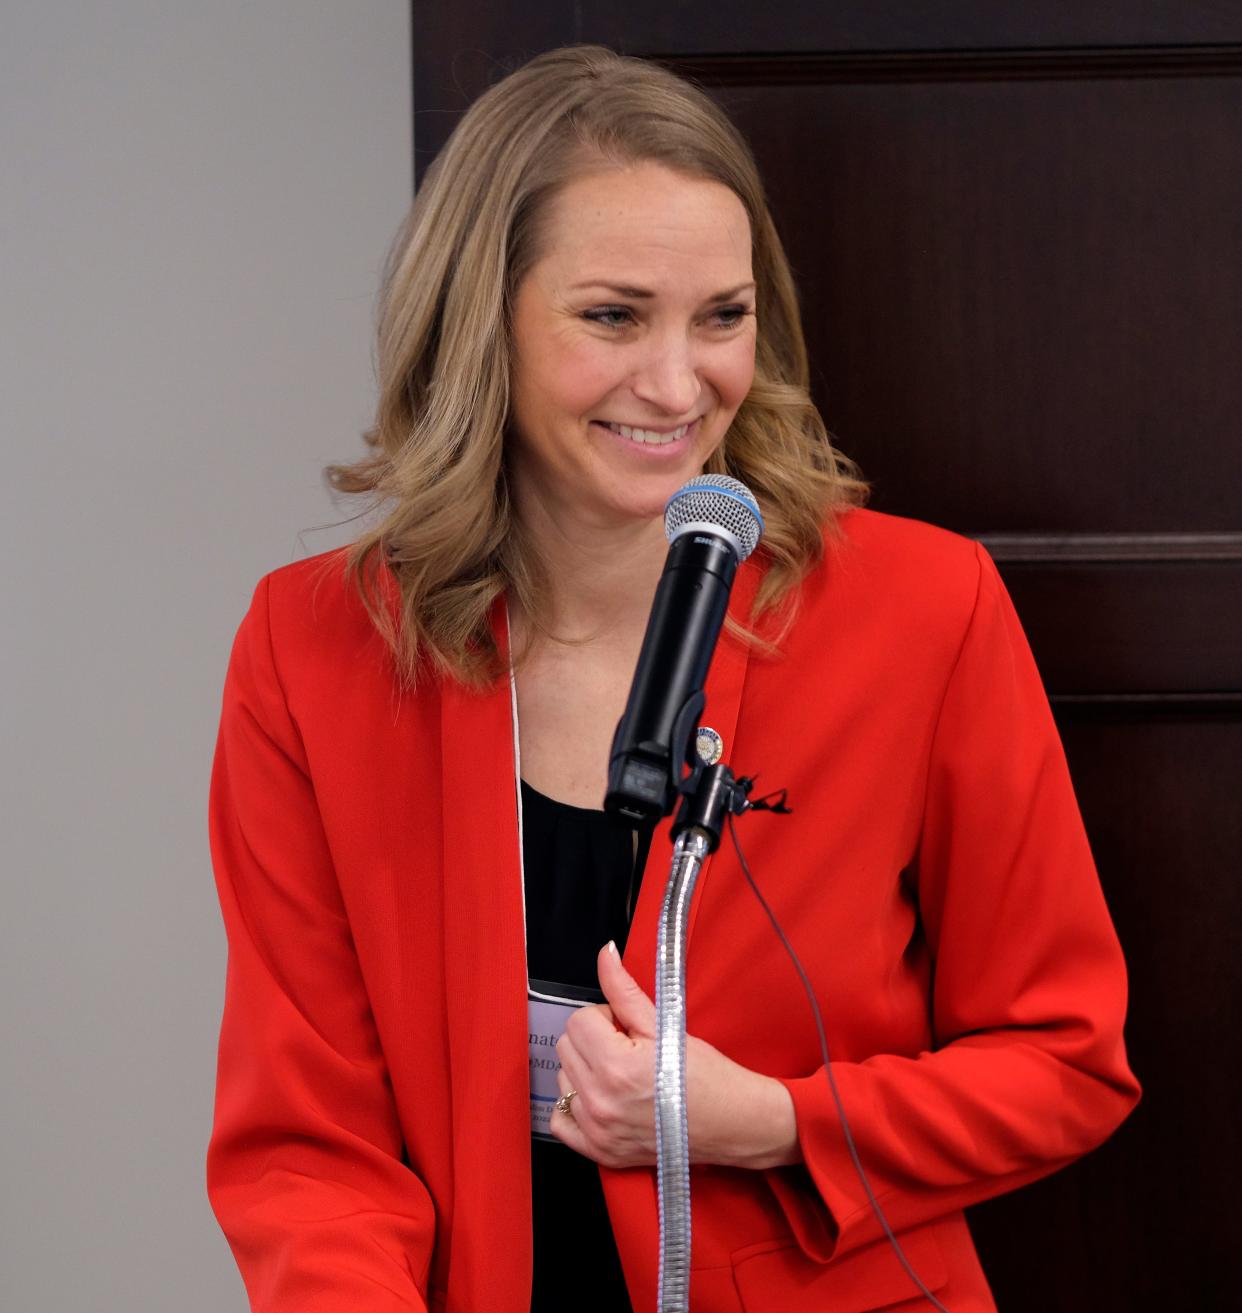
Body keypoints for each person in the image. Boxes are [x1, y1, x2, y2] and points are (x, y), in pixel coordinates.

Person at [206, 45, 1139, 1313]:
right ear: (481, 324)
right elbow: (308, 1147)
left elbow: (1066, 1061)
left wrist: (768, 1119)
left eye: (722, 316)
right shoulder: (312, 647)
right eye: (612, 314)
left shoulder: (927, 606)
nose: (677, 381)